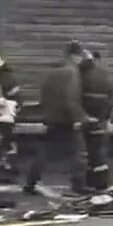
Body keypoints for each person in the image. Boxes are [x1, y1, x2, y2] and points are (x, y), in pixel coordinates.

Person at [23, 40, 90, 195]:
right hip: (66, 120)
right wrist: (81, 117)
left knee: (45, 152)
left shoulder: (53, 73)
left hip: (52, 119)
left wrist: (47, 114)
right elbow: (70, 98)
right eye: (80, 56)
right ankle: (79, 185)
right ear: (75, 56)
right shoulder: (72, 73)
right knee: (78, 152)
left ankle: (30, 182)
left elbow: (44, 96)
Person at [80, 49, 113, 191]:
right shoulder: (104, 76)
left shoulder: (81, 75)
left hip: (86, 119)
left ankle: (88, 183)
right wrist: (108, 119)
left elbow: (77, 97)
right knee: (99, 153)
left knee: (87, 152)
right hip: (101, 120)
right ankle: (101, 183)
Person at [0, 52, 21, 170]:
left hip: (8, 110)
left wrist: (2, 99)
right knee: (5, 135)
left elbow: (12, 92)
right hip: (7, 110)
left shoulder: (3, 75)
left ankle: (7, 161)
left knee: (5, 133)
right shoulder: (3, 74)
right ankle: (7, 160)